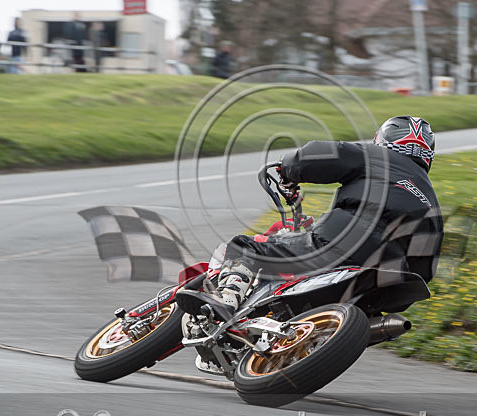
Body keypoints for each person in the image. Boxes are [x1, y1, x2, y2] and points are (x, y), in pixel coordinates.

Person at [176, 116, 444, 320]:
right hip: (389, 279)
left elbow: (317, 156)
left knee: (245, 248)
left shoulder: (376, 156)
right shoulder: (432, 201)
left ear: (383, 141)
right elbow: (424, 269)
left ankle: (226, 297)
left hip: (340, 242)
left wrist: (288, 170)